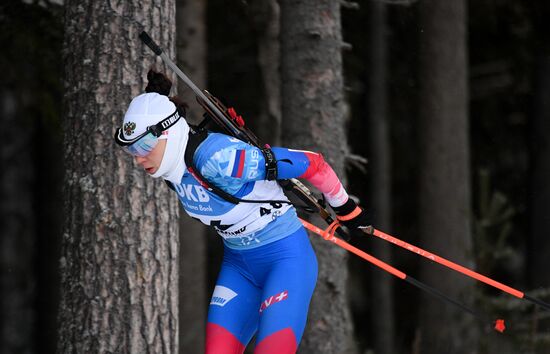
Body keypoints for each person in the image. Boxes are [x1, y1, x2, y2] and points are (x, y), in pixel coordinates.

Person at [114, 70, 371, 354]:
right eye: (131, 149)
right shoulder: (171, 171)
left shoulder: (220, 159)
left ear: (169, 131)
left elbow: (313, 164)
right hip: (239, 267)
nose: (138, 157)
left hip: (285, 260)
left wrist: (346, 209)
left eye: (145, 144)